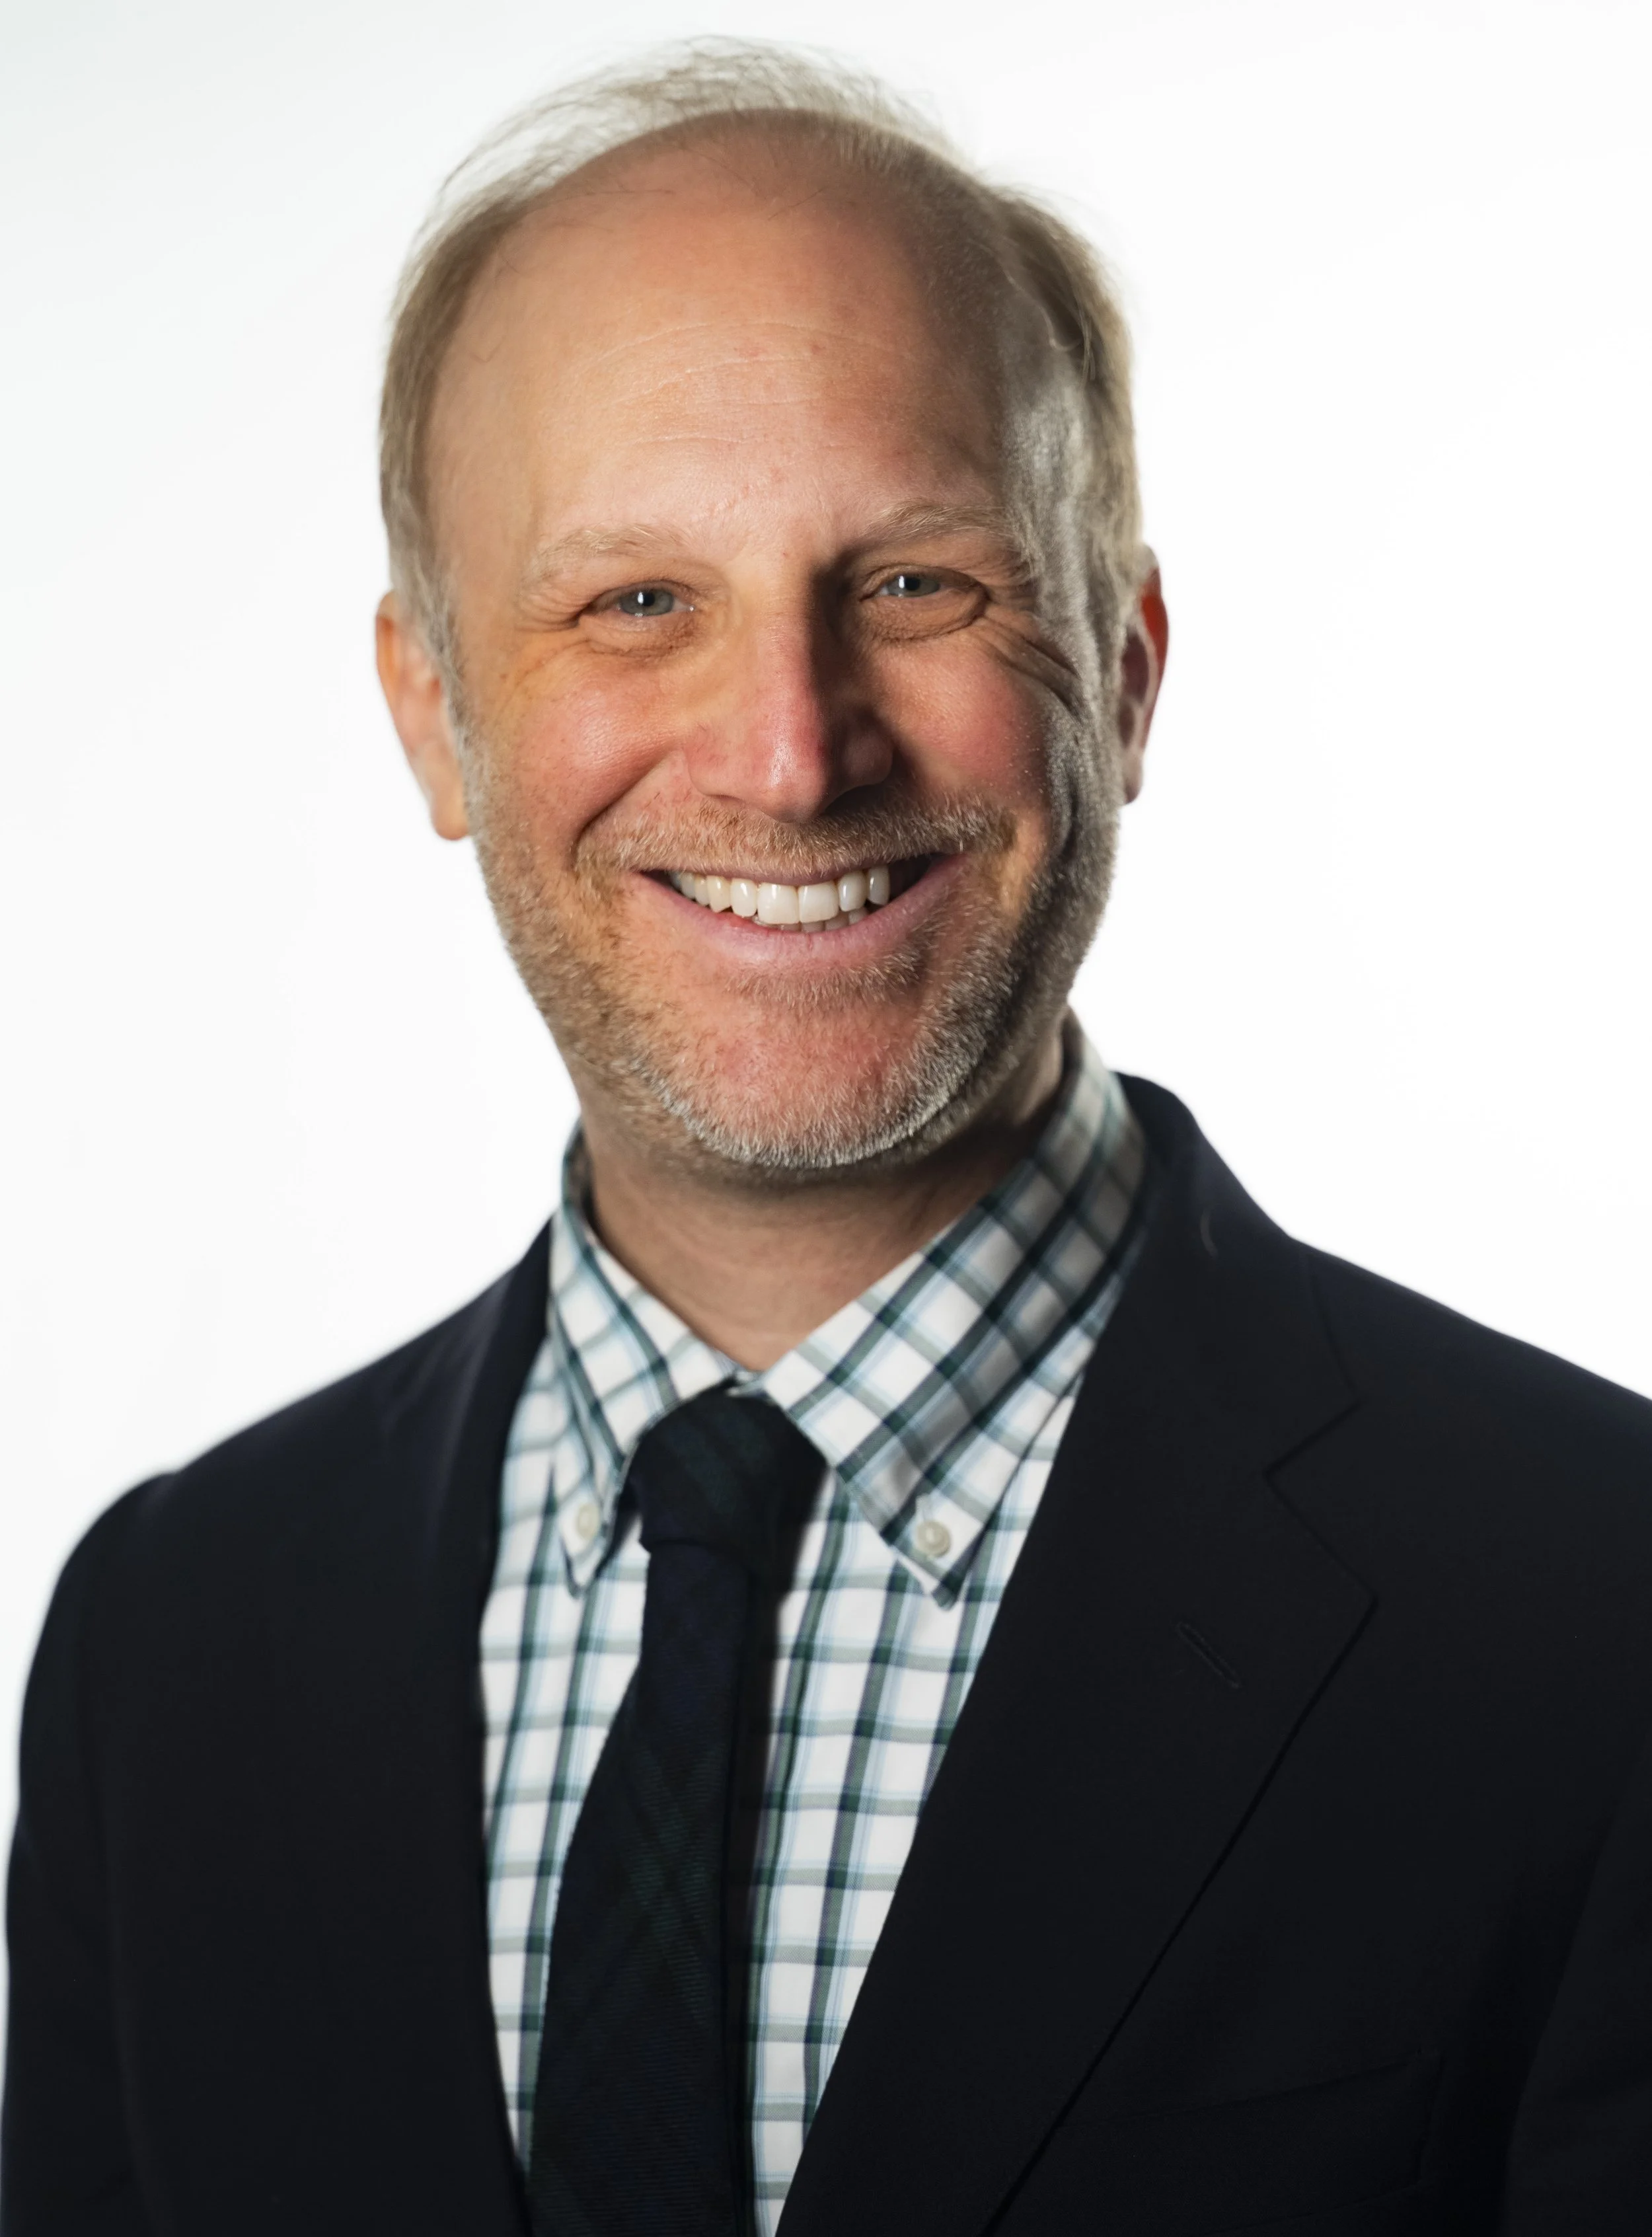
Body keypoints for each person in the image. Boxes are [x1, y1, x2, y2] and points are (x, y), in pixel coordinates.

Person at [5, 41, 1651, 2237]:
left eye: (912, 585)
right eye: (633, 602)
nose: (787, 757)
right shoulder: (170, 1646)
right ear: (435, 717)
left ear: (1126, 668)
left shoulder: (1592, 1621)